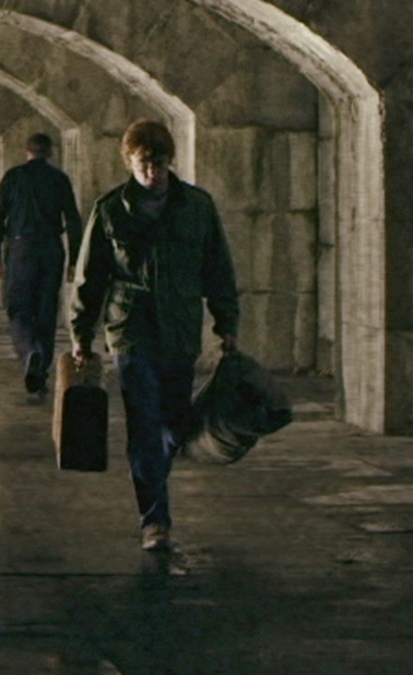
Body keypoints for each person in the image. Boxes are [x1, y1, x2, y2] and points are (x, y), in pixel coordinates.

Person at [69, 119, 239, 551]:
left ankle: (156, 484)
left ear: (169, 162)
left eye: (158, 163)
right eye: (143, 163)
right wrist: (81, 334)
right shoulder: (111, 210)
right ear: (129, 162)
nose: (152, 172)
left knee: (174, 424)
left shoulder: (196, 206)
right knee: (144, 425)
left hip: (180, 330)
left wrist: (227, 323)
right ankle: (154, 519)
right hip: (132, 330)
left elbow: (217, 268)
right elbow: (91, 277)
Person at [0, 133, 83, 402]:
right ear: (50, 152)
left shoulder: (13, 177)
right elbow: (73, 220)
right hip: (52, 248)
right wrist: (74, 260)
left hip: (22, 248)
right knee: (46, 311)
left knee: (19, 308)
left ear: (27, 151)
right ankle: (40, 376)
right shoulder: (59, 179)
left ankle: (29, 350)